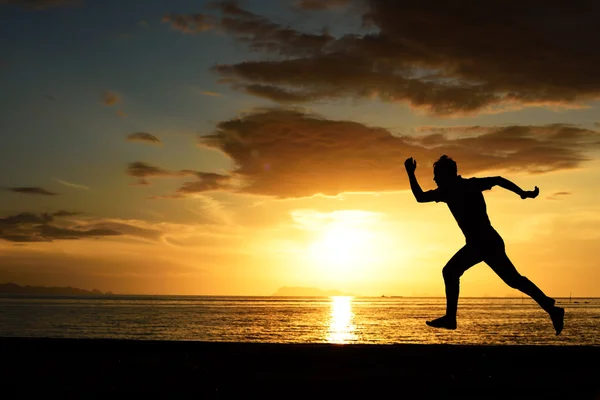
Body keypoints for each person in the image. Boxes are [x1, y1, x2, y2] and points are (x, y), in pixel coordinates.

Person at [404, 155, 564, 335]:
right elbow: (498, 180)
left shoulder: (453, 190)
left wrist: (410, 173)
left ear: (446, 175)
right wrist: (522, 193)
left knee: (451, 272)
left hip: (482, 243)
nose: (434, 179)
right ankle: (551, 308)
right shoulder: (464, 186)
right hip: (489, 241)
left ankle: (450, 318)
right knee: (513, 280)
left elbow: (420, 197)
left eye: (436, 175)